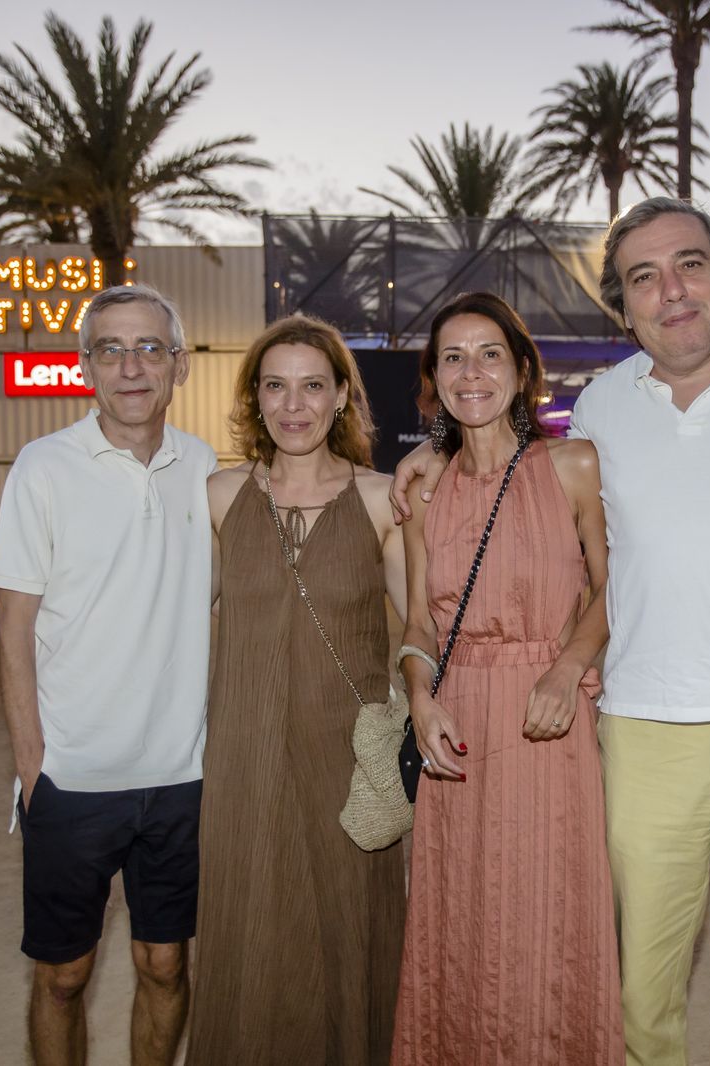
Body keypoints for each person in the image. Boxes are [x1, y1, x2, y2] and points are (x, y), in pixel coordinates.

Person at [392, 199, 710, 1066]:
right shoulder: (601, 410)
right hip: (640, 734)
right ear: (621, 307)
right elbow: (528, 482)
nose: (671, 291)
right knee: (638, 989)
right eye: (643, 277)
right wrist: (432, 454)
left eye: (689, 265)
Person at [392, 291, 623, 1064]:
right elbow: (421, 622)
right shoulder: (426, 491)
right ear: (434, 378)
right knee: (461, 922)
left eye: (490, 354)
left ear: (523, 371)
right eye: (453, 357)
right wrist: (419, 697)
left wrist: (568, 664)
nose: (472, 372)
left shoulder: (573, 465)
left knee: (547, 912)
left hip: (545, 718)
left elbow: (614, 587)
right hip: (457, 726)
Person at [0, 284, 215, 1066]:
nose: (131, 367)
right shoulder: (42, 468)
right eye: (111, 349)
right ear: (86, 366)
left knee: (165, 963)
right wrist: (32, 764)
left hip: (182, 776)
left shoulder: (207, 470)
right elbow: (12, 627)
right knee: (63, 973)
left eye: (150, 348)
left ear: (178, 365)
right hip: (72, 777)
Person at [186, 316, 407, 1065]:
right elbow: (174, 615)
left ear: (342, 395)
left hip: (348, 764)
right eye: (275, 386)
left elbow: (427, 629)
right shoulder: (218, 496)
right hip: (244, 762)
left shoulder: (383, 500)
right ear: (255, 398)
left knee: (347, 933)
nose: (294, 404)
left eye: (313, 385)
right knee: (250, 933)